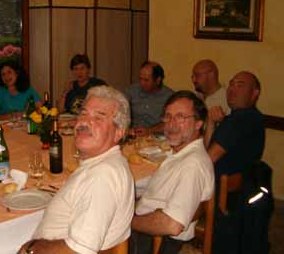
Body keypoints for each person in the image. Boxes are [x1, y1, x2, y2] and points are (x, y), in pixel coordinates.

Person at [18, 86, 134, 254]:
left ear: (119, 133)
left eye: (99, 117)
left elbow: (80, 250)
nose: (84, 122)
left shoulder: (102, 177)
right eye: (83, 113)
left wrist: (31, 249)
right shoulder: (107, 163)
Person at [130, 91, 214, 254]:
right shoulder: (180, 153)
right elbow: (156, 184)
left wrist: (128, 221)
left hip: (156, 242)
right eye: (168, 117)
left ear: (198, 123)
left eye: (181, 117)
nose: (171, 124)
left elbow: (172, 225)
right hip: (148, 228)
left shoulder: (193, 165)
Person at [205, 71, 265, 179]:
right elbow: (207, 150)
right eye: (231, 84)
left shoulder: (240, 120)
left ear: (255, 93)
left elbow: (207, 160)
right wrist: (210, 122)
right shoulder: (256, 117)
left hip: (218, 190)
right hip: (240, 188)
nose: (232, 89)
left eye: (240, 85)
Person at [125, 61, 174, 136]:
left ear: (158, 80)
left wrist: (149, 131)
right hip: (132, 136)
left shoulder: (170, 97)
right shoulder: (131, 91)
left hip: (156, 138)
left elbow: (171, 122)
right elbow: (120, 113)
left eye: (146, 80)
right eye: (140, 79)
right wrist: (127, 129)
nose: (142, 83)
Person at [192, 59, 230, 124]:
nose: (194, 80)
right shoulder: (194, 97)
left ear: (211, 74)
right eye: (192, 76)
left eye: (197, 75)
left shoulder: (228, 99)